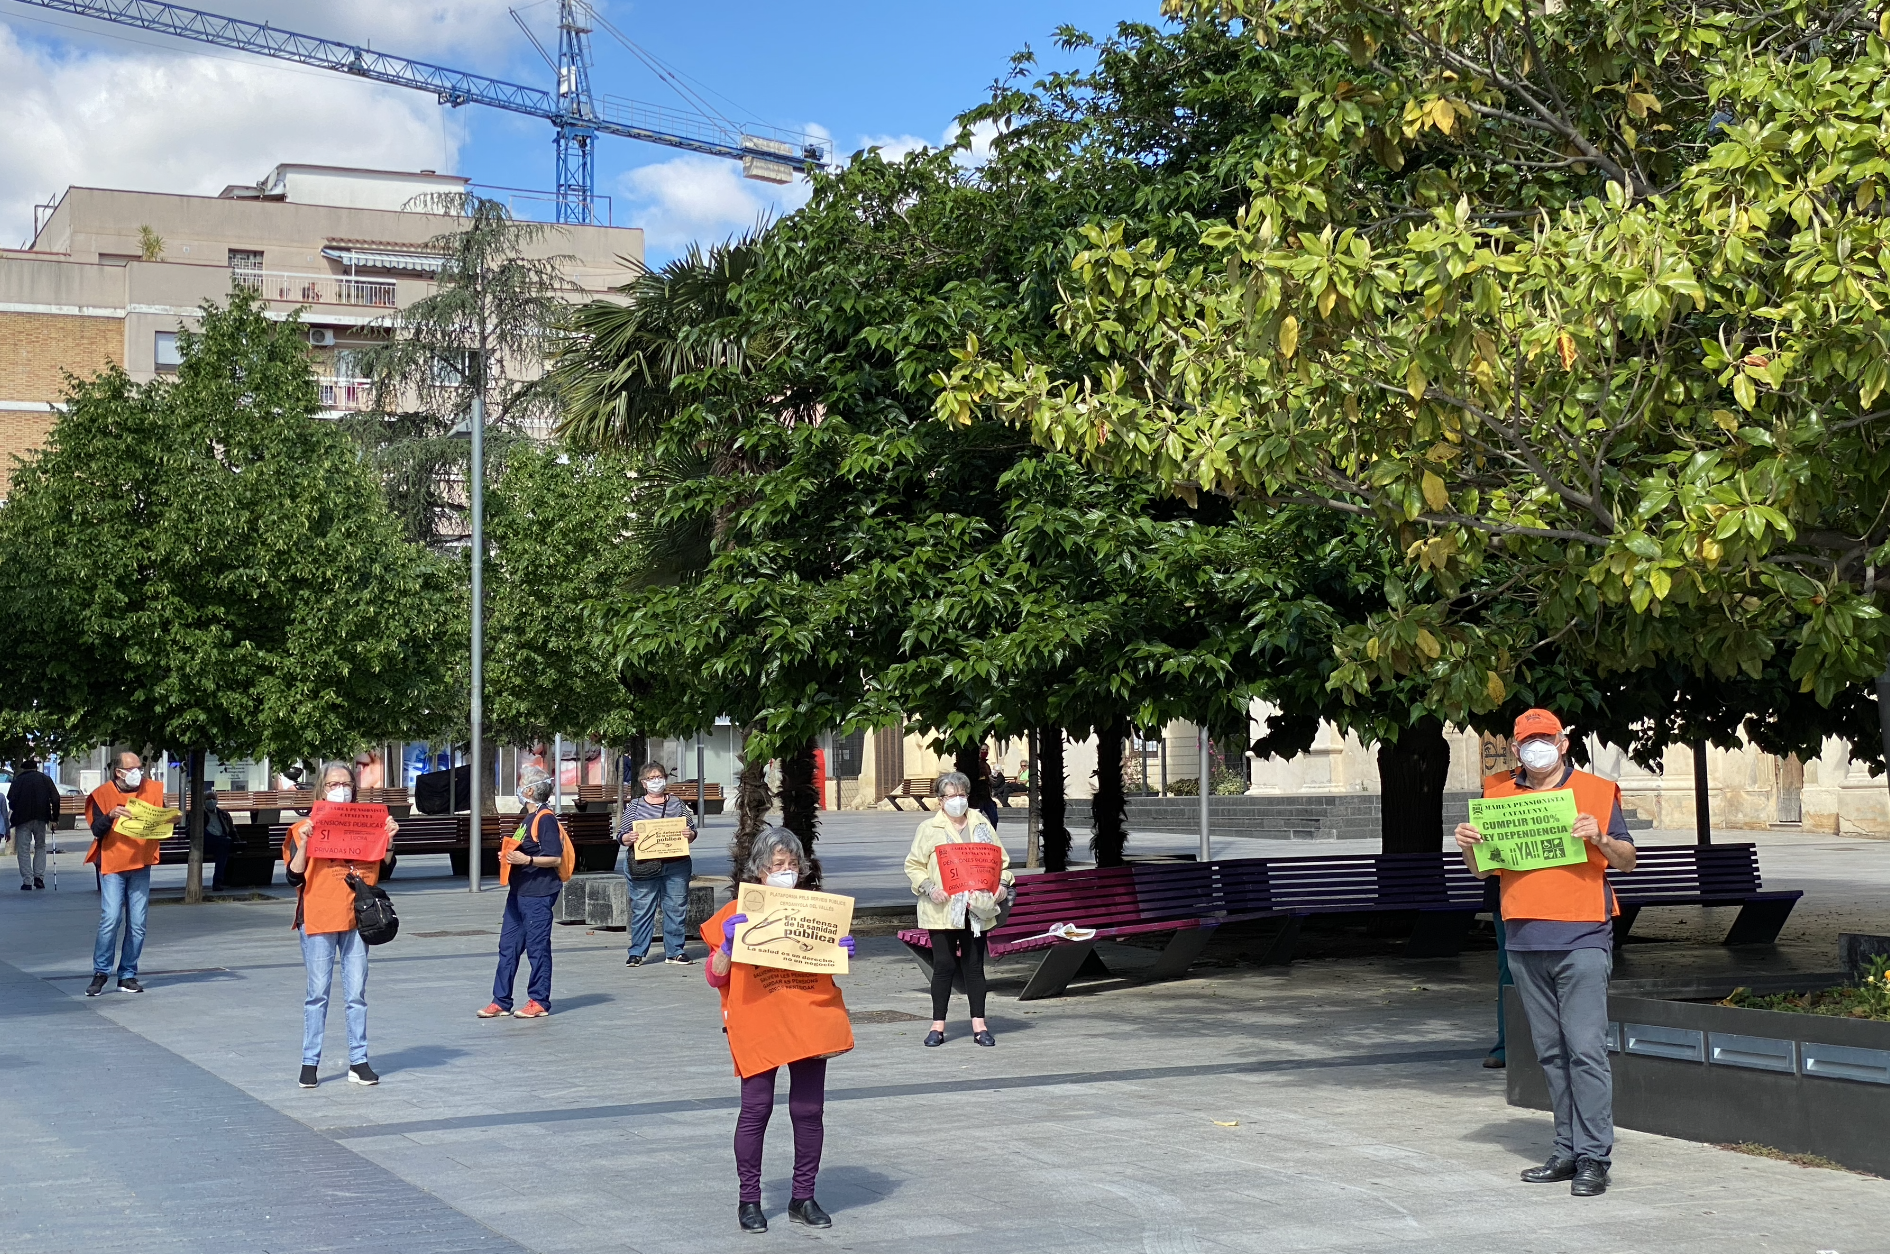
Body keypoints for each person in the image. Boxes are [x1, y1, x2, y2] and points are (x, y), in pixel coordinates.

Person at [1454, 708, 1637, 1198]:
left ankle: (1594, 1156)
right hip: (1523, 939)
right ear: (1516, 749)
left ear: (1563, 742)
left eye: (1546, 738)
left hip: (1581, 939)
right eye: (1527, 741)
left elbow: (1628, 859)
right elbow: (1483, 872)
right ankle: (1566, 1149)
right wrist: (1468, 846)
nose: (1537, 747)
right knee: (1551, 1053)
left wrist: (1598, 836)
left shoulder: (1595, 794)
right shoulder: (1498, 796)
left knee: (1586, 1051)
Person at [703, 826, 855, 1233]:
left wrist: (839, 951)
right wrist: (730, 948)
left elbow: (826, 961)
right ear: (759, 871)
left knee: (809, 1111)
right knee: (756, 1109)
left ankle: (803, 1197)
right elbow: (715, 978)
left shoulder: (817, 911)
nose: (786, 872)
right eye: (777, 866)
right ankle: (749, 1201)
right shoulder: (736, 911)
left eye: (792, 865)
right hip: (760, 1018)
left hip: (807, 1017)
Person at [285, 761, 399, 1087]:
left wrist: (389, 840)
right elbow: (293, 875)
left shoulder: (367, 825)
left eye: (346, 784)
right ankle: (310, 1063)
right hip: (319, 917)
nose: (341, 789)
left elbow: (385, 870)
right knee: (317, 994)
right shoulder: (303, 828)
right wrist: (306, 843)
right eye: (334, 784)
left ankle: (358, 1060)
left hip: (355, 917)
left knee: (356, 995)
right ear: (322, 788)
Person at [904, 770, 1014, 1048]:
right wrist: (930, 887)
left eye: (961, 795)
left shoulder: (982, 824)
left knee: (974, 966)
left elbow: (999, 860)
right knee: (943, 965)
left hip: (977, 907)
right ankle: (937, 1026)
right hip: (941, 908)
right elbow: (913, 866)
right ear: (940, 801)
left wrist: (1001, 882)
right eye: (951, 796)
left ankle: (979, 1024)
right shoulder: (930, 829)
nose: (957, 800)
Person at [477, 764, 565, 1019]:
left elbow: (554, 858)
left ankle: (538, 1000)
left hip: (538, 893)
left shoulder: (545, 818)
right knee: (508, 946)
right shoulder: (529, 818)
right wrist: (509, 856)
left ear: (530, 790)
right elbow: (525, 850)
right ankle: (500, 1000)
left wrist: (525, 860)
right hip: (519, 891)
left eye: (522, 783)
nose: (519, 788)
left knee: (537, 947)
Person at [83, 751, 165, 996]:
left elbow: (162, 818)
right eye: (132, 768)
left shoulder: (152, 789)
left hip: (140, 863)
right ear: (118, 772)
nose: (137, 772)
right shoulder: (102, 794)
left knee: (138, 923)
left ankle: (127, 974)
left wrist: (170, 819)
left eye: (139, 767)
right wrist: (109, 816)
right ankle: (100, 973)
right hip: (112, 864)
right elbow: (96, 830)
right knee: (110, 919)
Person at [616, 762, 697, 967]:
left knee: (676, 907)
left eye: (659, 776)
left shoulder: (678, 804)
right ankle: (637, 952)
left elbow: (692, 830)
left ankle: (675, 951)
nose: (656, 781)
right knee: (642, 908)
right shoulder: (634, 806)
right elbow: (621, 835)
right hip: (644, 864)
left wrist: (690, 834)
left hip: (676, 864)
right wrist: (628, 837)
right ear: (644, 783)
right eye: (651, 778)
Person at [10, 757, 61, 891]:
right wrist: (54, 818)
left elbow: (11, 799)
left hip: (22, 819)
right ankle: (39, 877)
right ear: (36, 768)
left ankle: (27, 881)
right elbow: (55, 798)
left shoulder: (18, 781)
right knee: (40, 846)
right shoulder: (45, 779)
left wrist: (16, 809)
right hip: (41, 817)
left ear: (24, 768)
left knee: (23, 849)